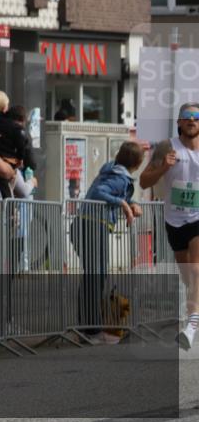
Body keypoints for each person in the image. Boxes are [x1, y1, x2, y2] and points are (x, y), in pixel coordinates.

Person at [140, 102, 199, 351]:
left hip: (197, 217)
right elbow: (143, 181)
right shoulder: (167, 147)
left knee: (196, 269)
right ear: (179, 122)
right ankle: (193, 317)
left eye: (196, 117)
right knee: (188, 277)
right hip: (174, 219)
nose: (192, 120)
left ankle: (191, 326)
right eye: (187, 117)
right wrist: (164, 166)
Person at [74, 140, 145, 345]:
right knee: (95, 277)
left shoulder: (113, 171)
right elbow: (100, 193)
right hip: (92, 225)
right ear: (138, 162)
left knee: (95, 277)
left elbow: (109, 192)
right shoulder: (119, 177)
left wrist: (131, 203)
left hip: (91, 225)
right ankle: (91, 330)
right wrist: (123, 203)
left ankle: (88, 328)